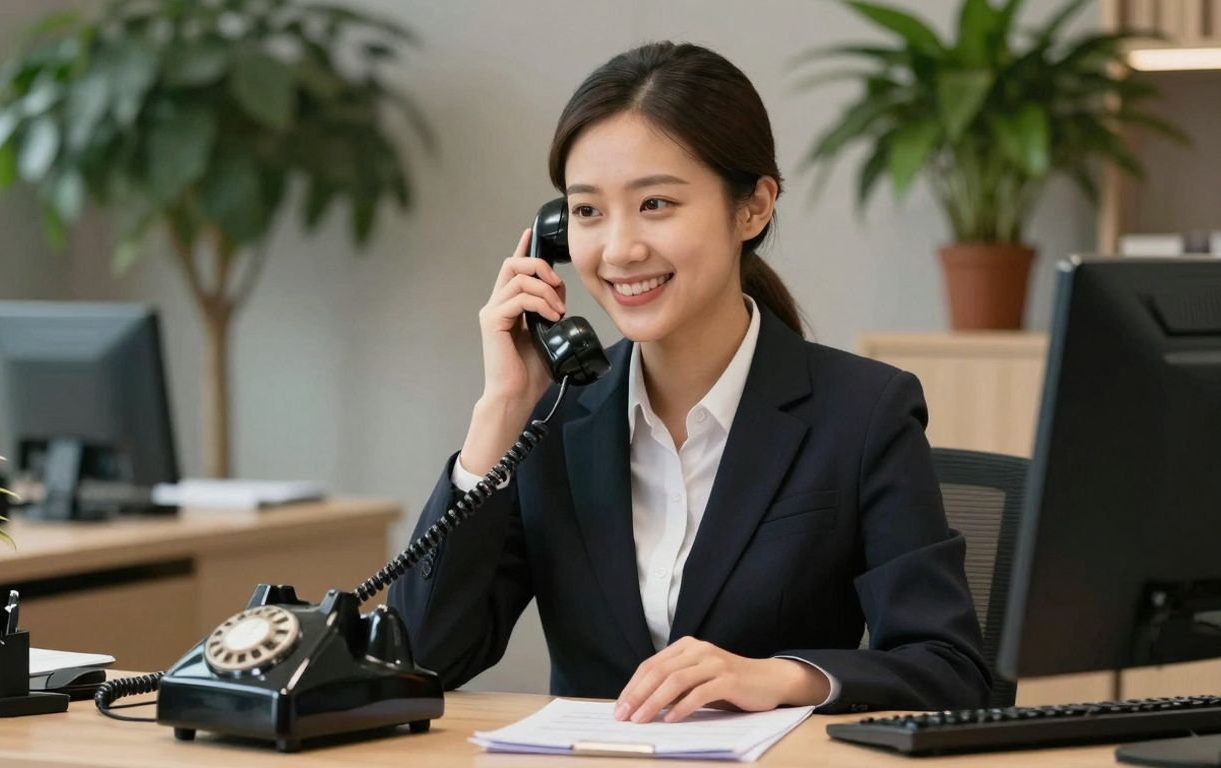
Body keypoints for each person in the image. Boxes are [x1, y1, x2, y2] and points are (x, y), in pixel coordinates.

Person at [387, 40, 991, 722]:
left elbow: (951, 670)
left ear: (754, 207)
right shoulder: (552, 418)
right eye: (587, 212)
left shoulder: (863, 413)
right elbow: (417, 660)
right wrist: (500, 411)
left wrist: (782, 678)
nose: (619, 250)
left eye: (656, 205)